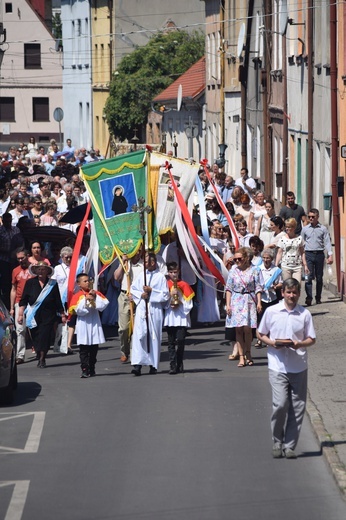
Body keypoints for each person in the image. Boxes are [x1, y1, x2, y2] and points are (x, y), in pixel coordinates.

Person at [257, 278, 316, 459]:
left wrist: (299, 344)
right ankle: (277, 441)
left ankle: (289, 446)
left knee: (297, 407)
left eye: (295, 293)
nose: (291, 295)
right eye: (288, 292)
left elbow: (311, 338)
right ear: (282, 293)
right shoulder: (272, 311)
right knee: (281, 404)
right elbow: (260, 333)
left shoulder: (304, 314)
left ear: (299, 294)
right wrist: (272, 343)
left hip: (298, 365)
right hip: (277, 365)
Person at [18, 262, 66, 368]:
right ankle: (39, 353)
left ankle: (42, 358)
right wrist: (20, 314)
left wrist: (62, 314)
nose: (40, 271)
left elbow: (58, 300)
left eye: (43, 269)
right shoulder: (30, 283)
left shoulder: (52, 284)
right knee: (35, 336)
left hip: (48, 314)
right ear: (35, 271)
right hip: (33, 315)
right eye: (38, 269)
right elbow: (24, 299)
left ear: (47, 271)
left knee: (45, 335)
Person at [130, 253, 169, 376]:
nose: (144, 264)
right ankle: (137, 364)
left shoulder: (160, 277)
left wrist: (152, 292)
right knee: (139, 336)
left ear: (153, 263)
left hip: (154, 309)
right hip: (142, 308)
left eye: (146, 262)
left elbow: (165, 295)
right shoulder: (141, 275)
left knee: (153, 336)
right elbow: (133, 289)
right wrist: (141, 295)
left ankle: (153, 364)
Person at [225, 247, 263, 367]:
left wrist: (259, 302)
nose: (237, 261)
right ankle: (241, 356)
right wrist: (228, 304)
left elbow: (258, 287)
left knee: (248, 329)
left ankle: (248, 353)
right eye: (235, 259)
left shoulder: (255, 270)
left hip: (249, 300)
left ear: (246, 258)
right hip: (236, 301)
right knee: (238, 329)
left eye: (239, 259)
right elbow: (228, 288)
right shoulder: (233, 271)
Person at [68, 273, 109, 378]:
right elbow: (78, 310)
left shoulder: (96, 293)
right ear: (79, 284)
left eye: (88, 280)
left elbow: (104, 304)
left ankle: (92, 366)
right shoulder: (77, 295)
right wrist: (85, 300)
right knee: (84, 349)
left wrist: (95, 298)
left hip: (94, 322)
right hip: (83, 324)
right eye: (85, 281)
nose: (87, 283)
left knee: (94, 348)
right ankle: (85, 368)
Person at [164, 262, 194, 374]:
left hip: (181, 316)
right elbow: (163, 301)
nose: (173, 274)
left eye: (175, 272)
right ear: (168, 273)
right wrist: (169, 300)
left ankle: (179, 362)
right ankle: (172, 365)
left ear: (178, 272)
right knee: (171, 341)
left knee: (180, 340)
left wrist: (180, 302)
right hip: (170, 316)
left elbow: (189, 303)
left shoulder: (184, 284)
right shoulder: (166, 284)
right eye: (171, 272)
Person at [113, 250, 144, 363]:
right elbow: (116, 277)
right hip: (125, 296)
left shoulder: (143, 265)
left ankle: (134, 352)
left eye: (138, 251)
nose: (137, 253)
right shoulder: (126, 263)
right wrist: (123, 263)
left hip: (138, 297)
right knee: (124, 328)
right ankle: (124, 351)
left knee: (136, 327)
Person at [301, 208, 333, 306]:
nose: (310, 218)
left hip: (319, 254)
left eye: (313, 217)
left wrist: (330, 254)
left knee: (319, 278)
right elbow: (301, 242)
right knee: (308, 277)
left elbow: (327, 242)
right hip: (308, 254)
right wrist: (301, 256)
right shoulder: (305, 229)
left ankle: (318, 297)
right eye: (309, 216)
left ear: (317, 217)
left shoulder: (323, 228)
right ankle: (309, 297)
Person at [10, 248, 33, 363]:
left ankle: (39, 350)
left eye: (22, 258)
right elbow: (13, 289)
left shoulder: (34, 268)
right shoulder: (15, 271)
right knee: (20, 329)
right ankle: (20, 355)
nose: (20, 260)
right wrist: (11, 308)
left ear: (27, 256)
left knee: (33, 328)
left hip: (33, 302)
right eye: (18, 258)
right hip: (19, 302)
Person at [276, 218, 308, 283]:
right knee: (287, 286)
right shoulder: (282, 239)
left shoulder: (299, 238)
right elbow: (279, 252)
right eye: (286, 227)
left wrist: (305, 265)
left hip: (297, 267)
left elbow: (302, 252)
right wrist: (276, 265)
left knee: (297, 285)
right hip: (285, 266)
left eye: (289, 227)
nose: (287, 229)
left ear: (293, 228)